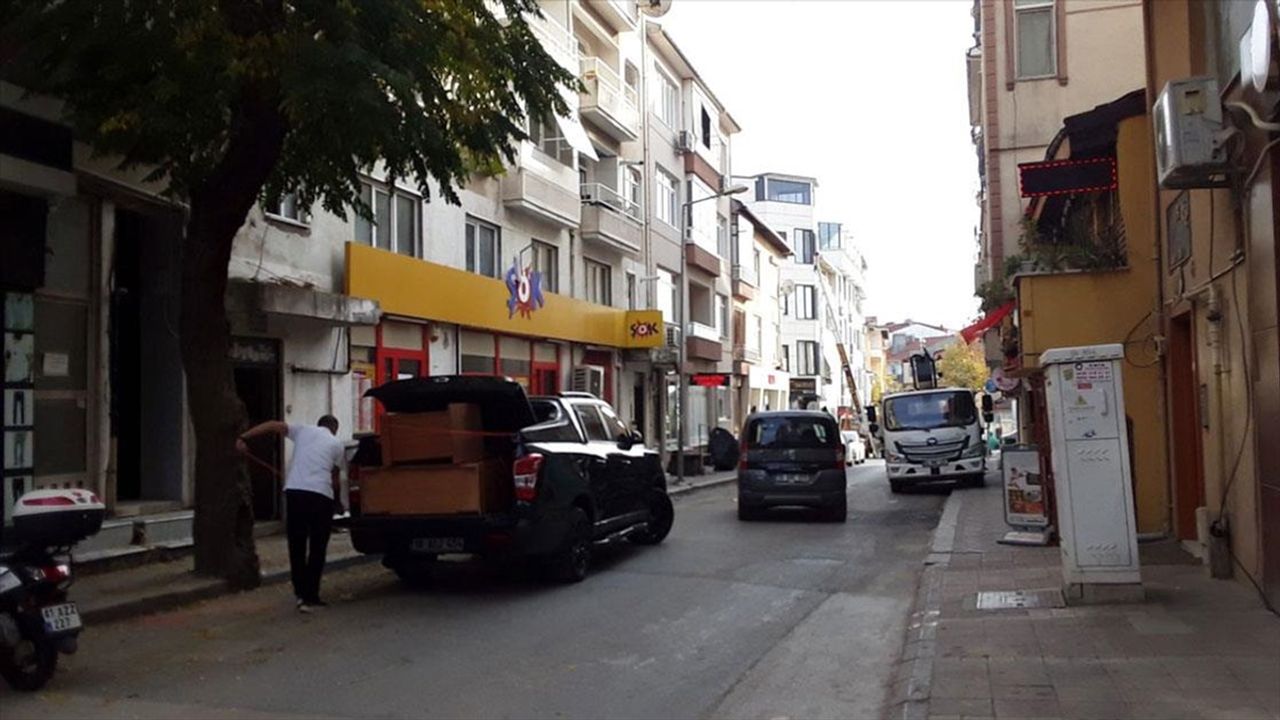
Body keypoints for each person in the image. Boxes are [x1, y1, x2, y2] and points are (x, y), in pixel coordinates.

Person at [238, 415, 345, 613]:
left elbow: (272, 425)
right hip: (321, 495)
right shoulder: (336, 444)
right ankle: (311, 596)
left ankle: (300, 594)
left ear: (318, 424)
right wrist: (338, 502)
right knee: (318, 547)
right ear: (334, 429)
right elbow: (335, 478)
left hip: (295, 492)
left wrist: (243, 437)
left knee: (297, 544)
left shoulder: (303, 430)